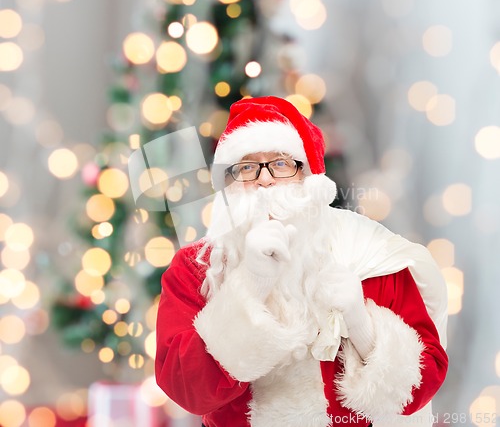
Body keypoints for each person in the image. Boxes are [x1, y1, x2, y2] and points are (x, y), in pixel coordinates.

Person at [155, 96, 448, 427]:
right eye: (247, 167)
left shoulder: (366, 253)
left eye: (281, 164)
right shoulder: (197, 268)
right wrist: (249, 287)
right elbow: (186, 390)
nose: (264, 179)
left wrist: (361, 324)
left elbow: (421, 385)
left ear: (308, 177)